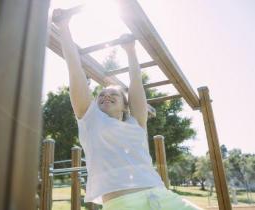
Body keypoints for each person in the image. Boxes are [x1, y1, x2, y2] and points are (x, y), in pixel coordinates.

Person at [52, 9, 202, 210]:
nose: (106, 95)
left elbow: (135, 81)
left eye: (113, 94)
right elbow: (74, 69)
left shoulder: (136, 123)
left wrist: (130, 50)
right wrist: (63, 27)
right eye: (101, 95)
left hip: (163, 198)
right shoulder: (90, 119)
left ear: (125, 106)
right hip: (124, 204)